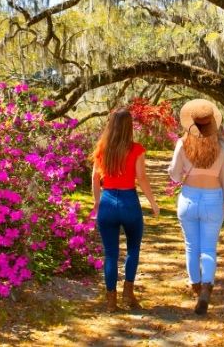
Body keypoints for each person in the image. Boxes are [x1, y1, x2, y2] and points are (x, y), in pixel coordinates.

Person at [167, 98, 224, 315]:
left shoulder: (182, 143)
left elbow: (175, 175)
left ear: (192, 123)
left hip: (188, 198)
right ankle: (207, 288)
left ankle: (196, 287)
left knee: (191, 246)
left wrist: (178, 171)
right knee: (208, 247)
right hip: (214, 197)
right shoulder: (222, 146)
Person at [91, 109, 160, 312]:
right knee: (133, 250)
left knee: (111, 254)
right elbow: (142, 178)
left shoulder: (102, 149)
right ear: (129, 127)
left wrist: (97, 202)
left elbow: (95, 177)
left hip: (108, 201)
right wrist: (153, 203)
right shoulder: (136, 149)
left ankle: (111, 302)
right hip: (129, 201)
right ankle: (128, 295)